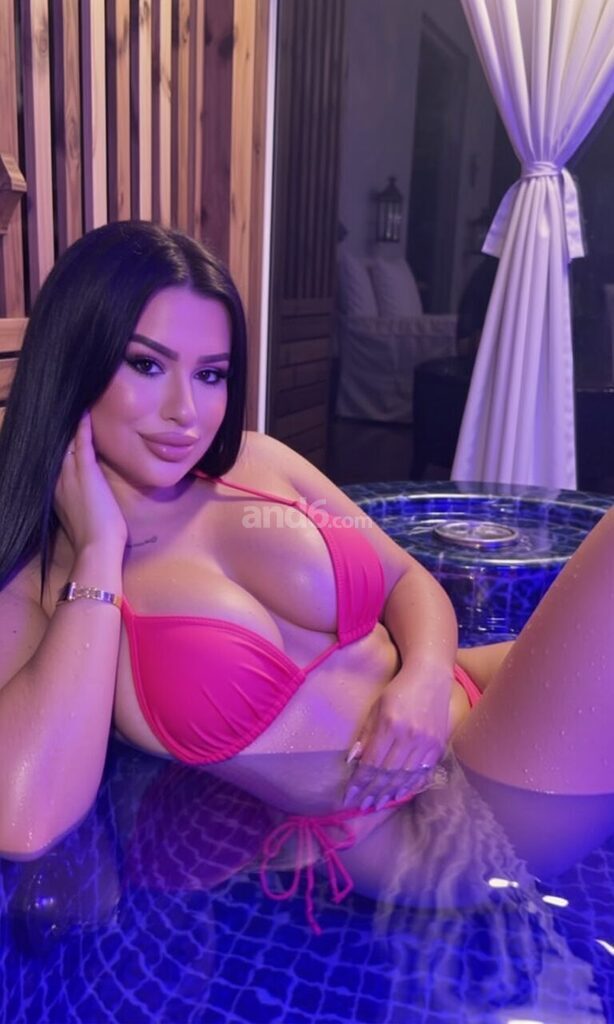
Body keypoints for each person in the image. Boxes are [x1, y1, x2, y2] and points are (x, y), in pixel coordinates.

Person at [0, 222, 613, 933]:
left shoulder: (259, 462)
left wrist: (422, 679)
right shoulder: (44, 588)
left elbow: (406, 580)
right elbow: (25, 819)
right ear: (75, 359)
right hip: (443, 815)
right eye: (146, 365)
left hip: (474, 685)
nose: (185, 413)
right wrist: (100, 552)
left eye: (210, 374)